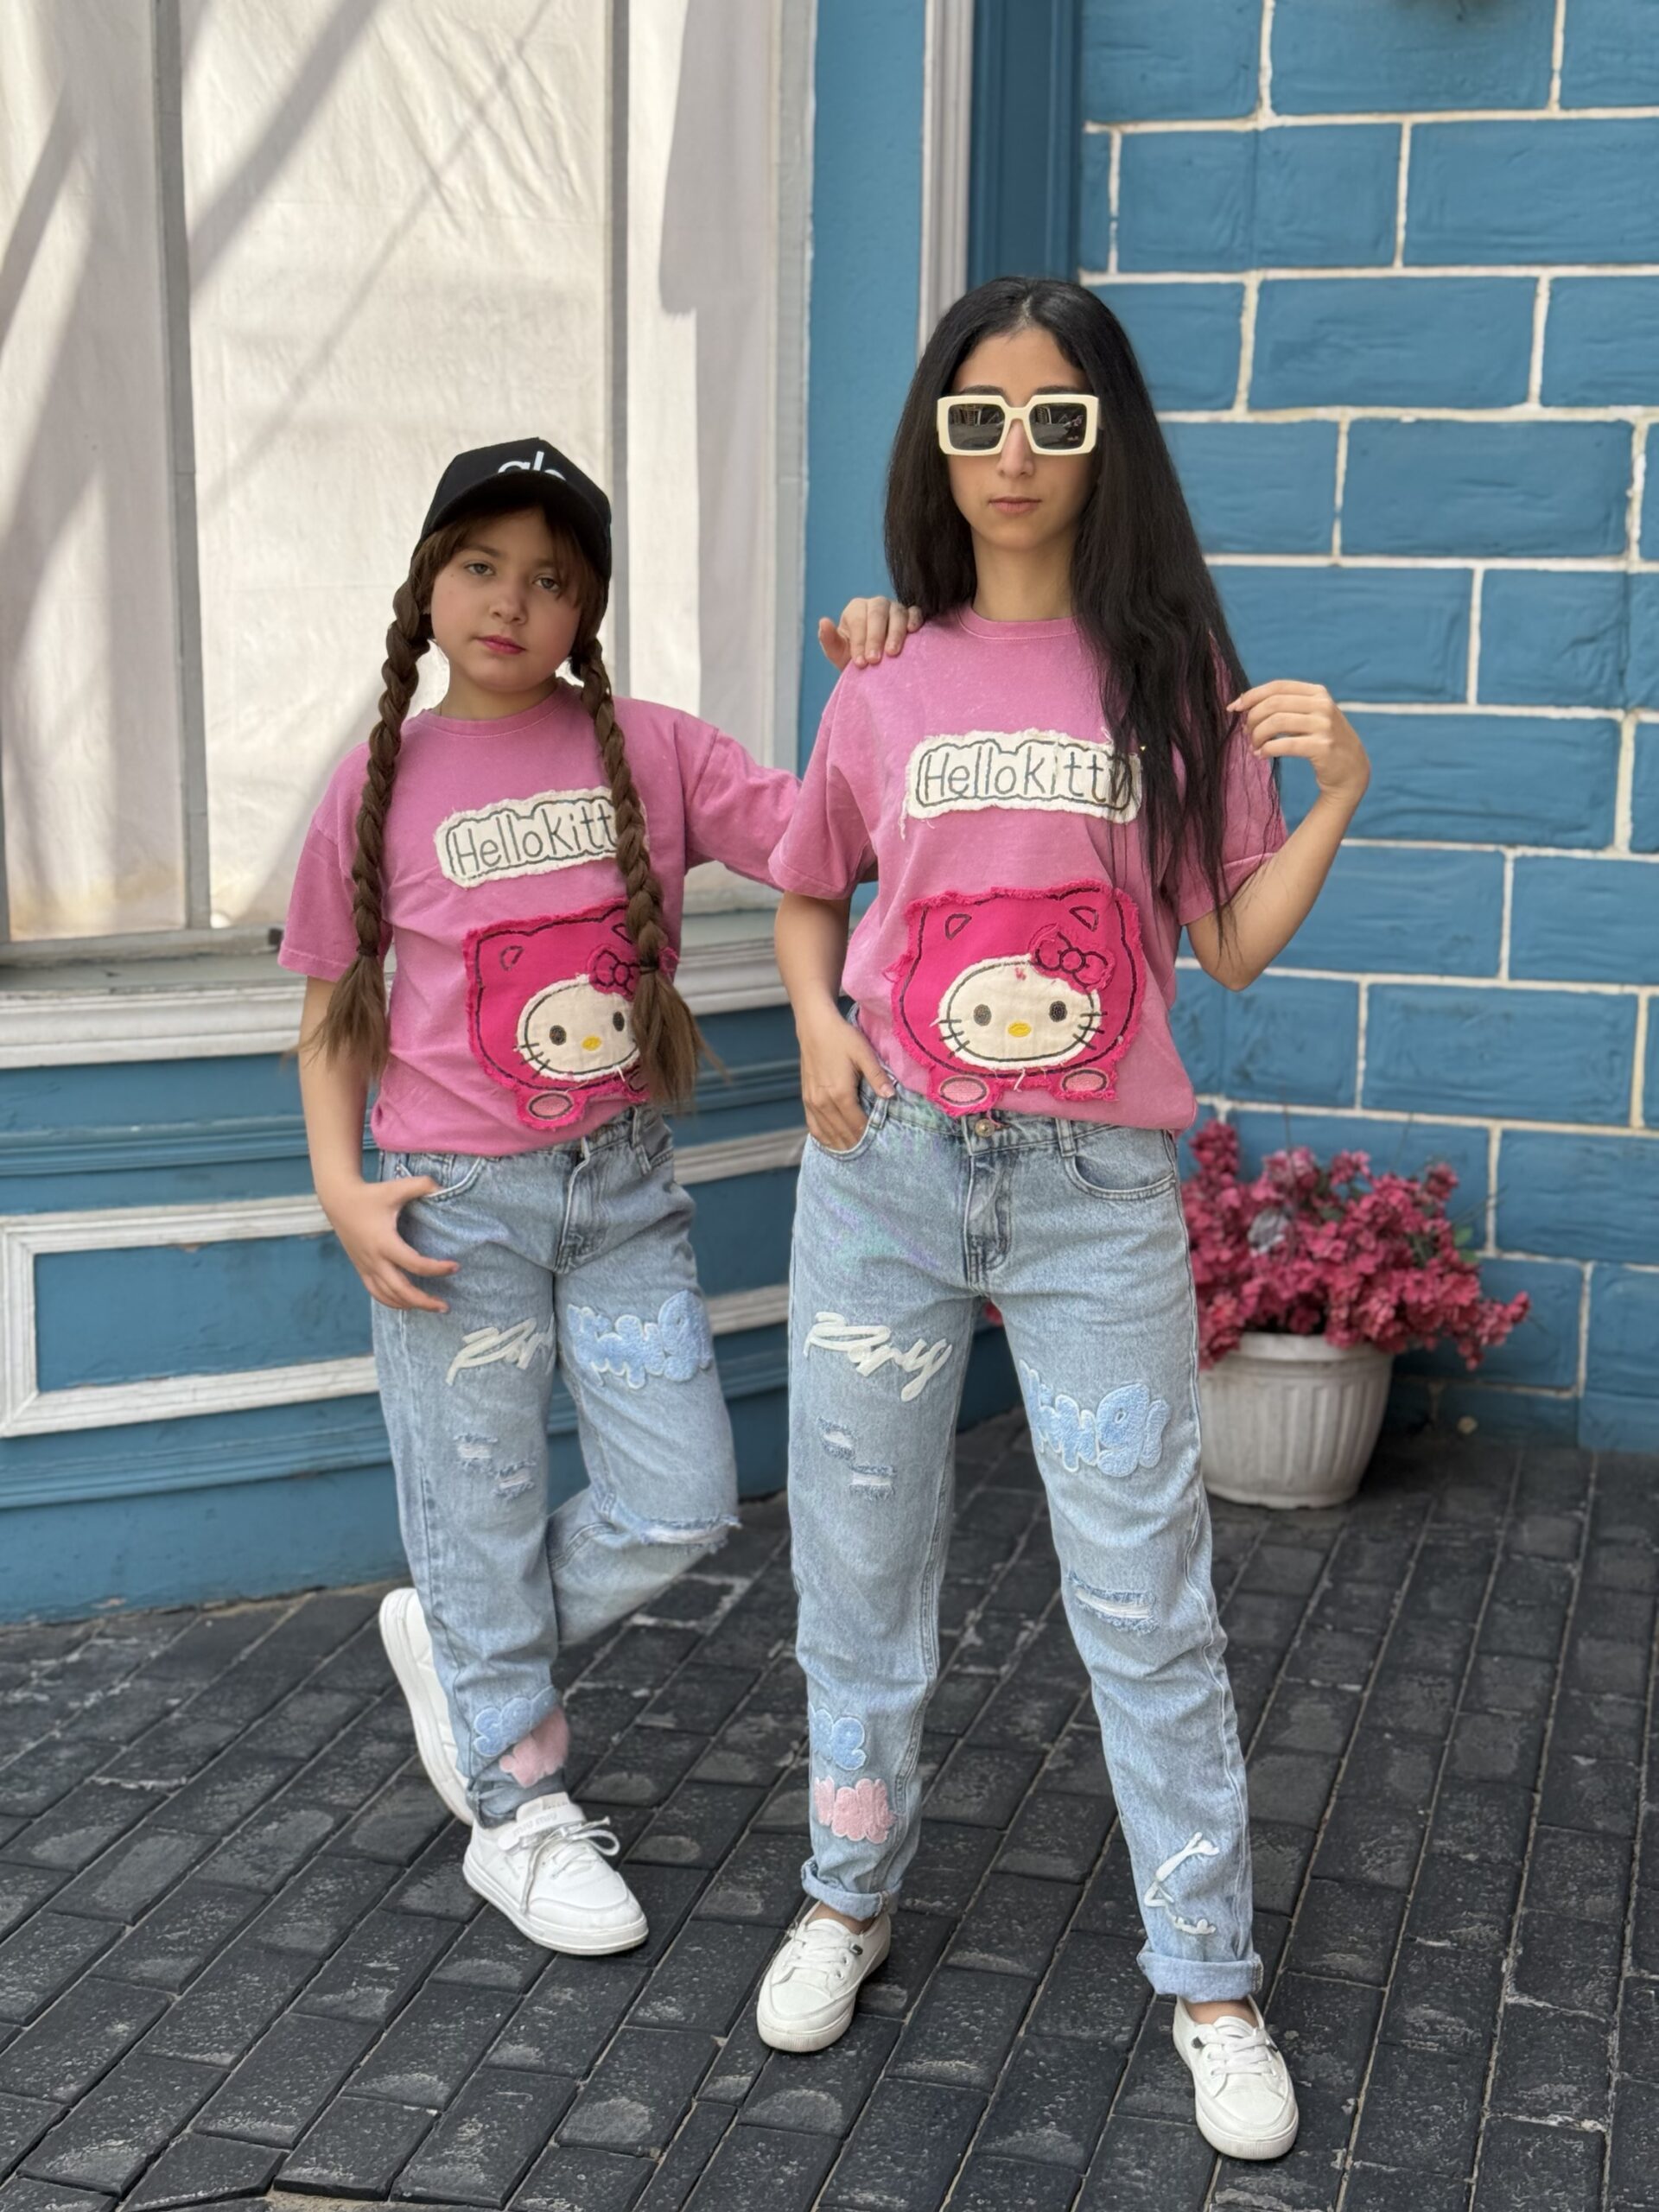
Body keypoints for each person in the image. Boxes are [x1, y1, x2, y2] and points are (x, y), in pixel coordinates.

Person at [753, 279, 1371, 2164]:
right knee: (858, 1573)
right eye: (977, 419)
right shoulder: (883, 673)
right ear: (935, 443)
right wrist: (815, 1030)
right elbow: (809, 880)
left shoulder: (1172, 674)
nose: (1013, 454)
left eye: (1055, 419)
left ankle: (1210, 1976)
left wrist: (1339, 790)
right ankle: (846, 1893)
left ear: (1111, 442)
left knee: (1144, 1598)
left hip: (1097, 1194)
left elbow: (1229, 943)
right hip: (889, 1172)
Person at [285, 438, 807, 1955]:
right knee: (482, 1498)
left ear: (587, 609)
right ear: (428, 585)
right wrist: (340, 1188)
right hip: (453, 1206)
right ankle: (515, 1809)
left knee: (682, 1499)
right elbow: (330, 1006)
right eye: (481, 567)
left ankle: (463, 1644)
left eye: (551, 578)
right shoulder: (374, 784)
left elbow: (823, 833)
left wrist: (891, 672)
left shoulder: (652, 749)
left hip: (622, 1190)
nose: (511, 601)